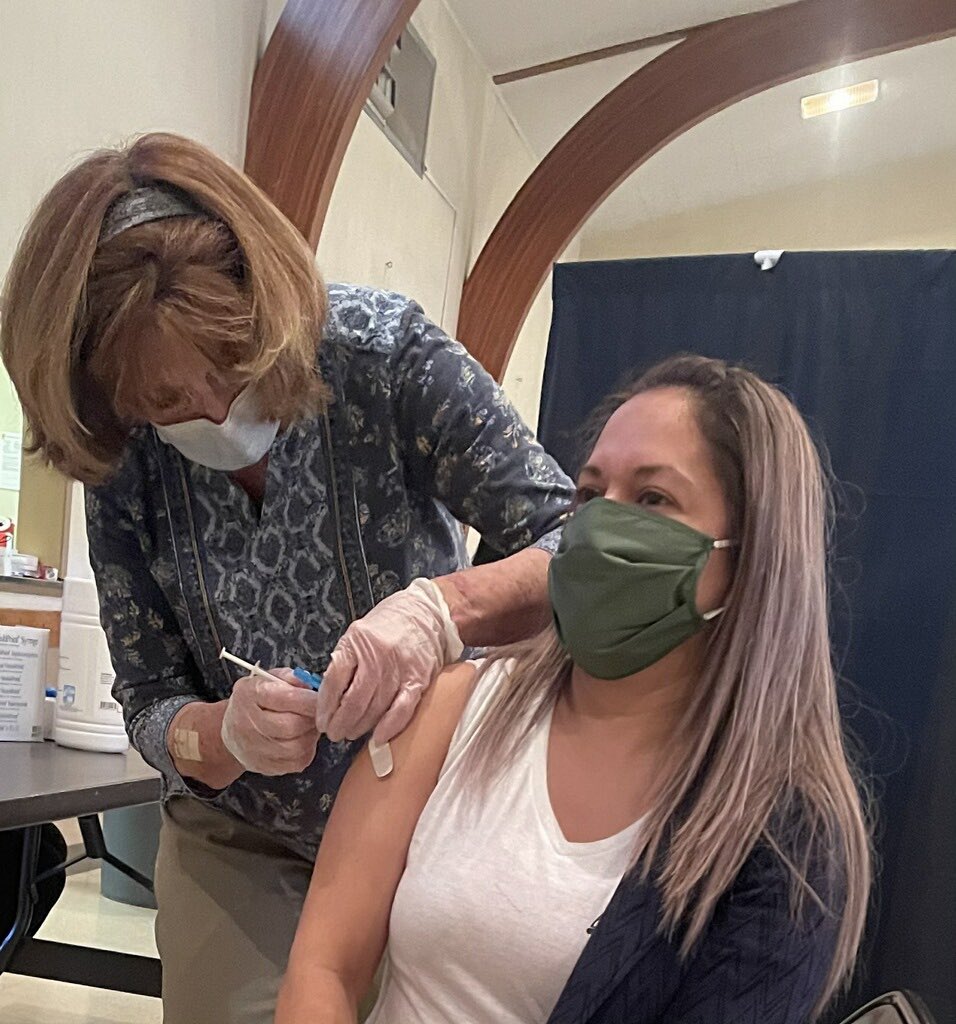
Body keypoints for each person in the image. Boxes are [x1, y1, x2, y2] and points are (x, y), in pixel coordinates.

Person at [0, 133, 573, 1024]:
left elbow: (580, 544)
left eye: (233, 369)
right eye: (164, 404)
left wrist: (442, 610)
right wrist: (223, 735)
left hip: (415, 815)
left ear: (264, 307)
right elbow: (150, 705)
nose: (214, 415)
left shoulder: (384, 360)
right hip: (242, 837)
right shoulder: (122, 464)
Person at [276, 355, 872, 1024]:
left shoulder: (783, 838)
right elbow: (323, 964)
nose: (594, 529)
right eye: (590, 494)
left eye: (652, 499)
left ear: (749, 556)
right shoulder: (457, 708)